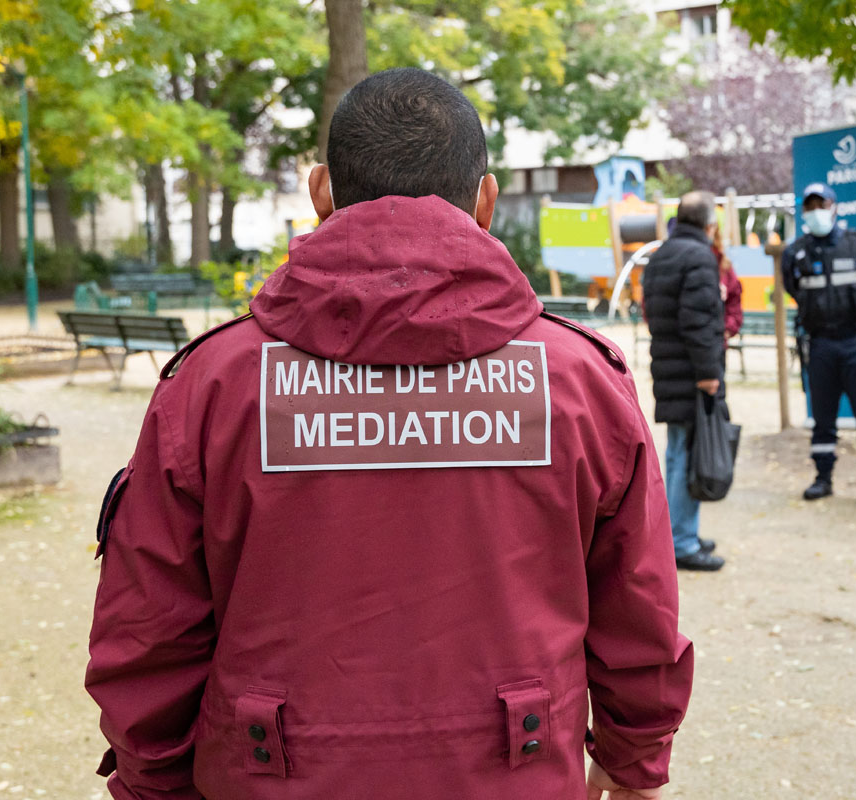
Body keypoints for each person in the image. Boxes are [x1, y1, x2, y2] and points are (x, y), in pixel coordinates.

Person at [85, 68, 693, 800]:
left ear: (321, 194)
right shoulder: (580, 380)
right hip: (516, 774)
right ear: (486, 202)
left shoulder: (213, 386)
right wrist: (633, 764)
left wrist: (154, 784)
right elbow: (640, 602)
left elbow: (149, 627)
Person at [781, 183, 856, 508]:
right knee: (823, 416)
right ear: (804, 211)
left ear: (834, 206)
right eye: (810, 205)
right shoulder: (796, 252)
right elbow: (793, 288)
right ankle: (823, 478)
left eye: (822, 204)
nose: (816, 211)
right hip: (820, 344)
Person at [642, 191, 726, 572]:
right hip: (691, 373)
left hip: (667, 367)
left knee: (677, 453)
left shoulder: (661, 255)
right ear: (709, 225)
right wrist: (710, 374)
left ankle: (677, 531)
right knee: (688, 456)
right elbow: (700, 322)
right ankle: (682, 541)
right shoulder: (699, 258)